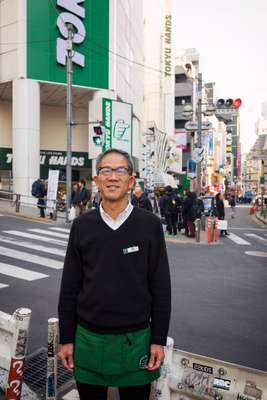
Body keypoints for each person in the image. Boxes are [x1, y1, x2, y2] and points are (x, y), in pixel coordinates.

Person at [58, 148, 171, 400]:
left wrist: (158, 339)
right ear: (96, 180)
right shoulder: (82, 226)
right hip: (87, 339)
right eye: (105, 170)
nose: (112, 176)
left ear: (131, 181)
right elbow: (69, 287)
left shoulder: (149, 225)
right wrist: (66, 339)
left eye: (120, 170)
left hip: (137, 341)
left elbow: (161, 287)